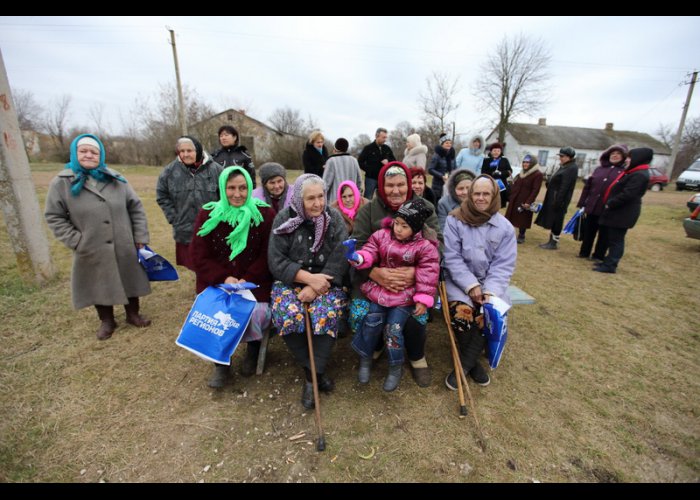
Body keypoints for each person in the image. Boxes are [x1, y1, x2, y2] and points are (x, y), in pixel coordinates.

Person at [45, 134, 151, 341]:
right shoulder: (62, 182)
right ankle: (107, 320)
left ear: (100, 155)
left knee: (128, 276)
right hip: (91, 245)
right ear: (75, 154)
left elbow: (135, 207)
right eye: (83, 151)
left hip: (123, 242)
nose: (88, 155)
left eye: (93, 152)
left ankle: (133, 314)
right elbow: (54, 216)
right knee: (98, 281)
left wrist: (140, 236)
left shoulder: (116, 178)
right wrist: (76, 240)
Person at [350, 161, 442, 388]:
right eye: (389, 185)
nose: (396, 190)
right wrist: (375, 273)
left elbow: (437, 247)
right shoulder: (368, 211)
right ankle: (374, 346)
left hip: (412, 283)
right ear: (381, 185)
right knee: (364, 312)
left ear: (409, 184)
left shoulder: (424, 207)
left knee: (414, 316)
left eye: (401, 184)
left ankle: (416, 355)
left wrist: (414, 273)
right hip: (373, 279)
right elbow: (361, 247)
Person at [267, 174, 350, 409]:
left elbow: (341, 255)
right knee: (287, 313)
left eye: (321, 196)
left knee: (326, 313)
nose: (317, 203)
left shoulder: (334, 218)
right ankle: (315, 374)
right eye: (310, 198)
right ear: (298, 199)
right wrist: (307, 279)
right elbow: (276, 260)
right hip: (291, 280)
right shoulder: (284, 219)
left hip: (326, 281)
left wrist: (315, 287)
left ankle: (310, 377)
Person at [190, 166, 276, 388]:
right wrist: (224, 278)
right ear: (222, 189)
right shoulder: (208, 215)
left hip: (254, 282)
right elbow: (199, 256)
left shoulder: (265, 215)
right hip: (218, 282)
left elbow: (269, 253)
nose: (237, 194)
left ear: (250, 188)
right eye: (231, 188)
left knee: (256, 311)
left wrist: (246, 279)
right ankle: (221, 362)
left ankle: (253, 350)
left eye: (242, 188)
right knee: (216, 311)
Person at [442, 175, 517, 389]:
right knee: (462, 316)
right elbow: (452, 257)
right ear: (470, 194)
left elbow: (503, 266)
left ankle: (464, 365)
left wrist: (489, 292)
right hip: (460, 282)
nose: (481, 198)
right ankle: (473, 365)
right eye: (477, 193)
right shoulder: (454, 220)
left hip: (491, 286)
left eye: (486, 194)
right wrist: (471, 285)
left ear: (494, 196)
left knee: (489, 316)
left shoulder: (505, 228)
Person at [156, 136, 224, 270]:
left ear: (198, 150)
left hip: (212, 230)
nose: (185, 154)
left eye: (189, 150)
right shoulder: (169, 171)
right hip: (185, 230)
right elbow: (162, 196)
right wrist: (175, 219)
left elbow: (225, 198)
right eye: (181, 151)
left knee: (214, 264)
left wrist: (220, 219)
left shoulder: (216, 170)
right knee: (194, 265)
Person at [595, 148, 653, 274]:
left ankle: (610, 265)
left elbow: (628, 194)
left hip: (622, 213)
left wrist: (610, 203)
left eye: (629, 157)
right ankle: (608, 261)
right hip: (618, 212)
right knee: (612, 238)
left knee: (616, 240)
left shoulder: (639, 175)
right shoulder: (633, 172)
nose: (627, 159)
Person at [575, 145, 628, 260]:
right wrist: (582, 203)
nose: (615, 155)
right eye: (613, 153)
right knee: (589, 231)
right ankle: (584, 252)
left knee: (604, 234)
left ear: (623, 157)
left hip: (608, 209)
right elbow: (587, 187)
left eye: (618, 154)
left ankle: (598, 255)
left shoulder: (624, 172)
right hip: (592, 206)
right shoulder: (599, 169)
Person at [535, 147, 579, 250]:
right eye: (560, 156)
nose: (560, 158)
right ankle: (551, 241)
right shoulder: (564, 166)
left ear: (569, 157)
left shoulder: (572, 168)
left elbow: (565, 186)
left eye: (562, 156)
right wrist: (549, 181)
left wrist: (558, 201)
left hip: (559, 200)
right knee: (553, 219)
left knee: (557, 220)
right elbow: (558, 181)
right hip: (554, 197)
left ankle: (553, 243)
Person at [504, 154, 544, 244]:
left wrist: (528, 201)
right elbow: (516, 185)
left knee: (523, 218)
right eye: (524, 162)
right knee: (511, 216)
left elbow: (535, 190)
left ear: (532, 163)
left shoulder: (537, 174)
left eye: (528, 162)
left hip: (525, 200)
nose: (525, 164)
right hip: (515, 198)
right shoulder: (521, 173)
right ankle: (508, 234)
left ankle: (521, 235)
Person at [358, 127, 396, 198]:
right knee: (368, 198)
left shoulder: (387, 148)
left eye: (385, 137)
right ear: (376, 136)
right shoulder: (368, 148)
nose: (385, 140)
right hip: (370, 179)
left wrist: (388, 161)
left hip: (384, 178)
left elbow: (395, 161)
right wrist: (370, 170)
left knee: (384, 199)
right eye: (383, 137)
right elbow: (360, 162)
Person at [323, 137, 363, 203]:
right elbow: (359, 181)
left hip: (335, 202)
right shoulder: (354, 160)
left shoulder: (331, 161)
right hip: (351, 201)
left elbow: (325, 185)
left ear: (335, 148)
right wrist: (357, 196)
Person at [481, 142, 512, 207]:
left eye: (498, 151)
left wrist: (500, 173)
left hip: (501, 185)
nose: (496, 152)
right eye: (494, 150)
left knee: (499, 204)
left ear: (501, 152)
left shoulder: (504, 160)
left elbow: (509, 171)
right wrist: (492, 174)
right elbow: (483, 172)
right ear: (491, 151)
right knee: (489, 202)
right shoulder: (486, 160)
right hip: (489, 183)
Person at [428, 133, 456, 201]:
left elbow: (455, 168)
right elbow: (430, 169)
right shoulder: (437, 155)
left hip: (449, 184)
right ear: (442, 144)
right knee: (437, 203)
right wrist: (441, 176)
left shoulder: (452, 155)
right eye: (446, 143)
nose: (449, 144)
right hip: (438, 186)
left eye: (450, 143)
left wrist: (453, 175)